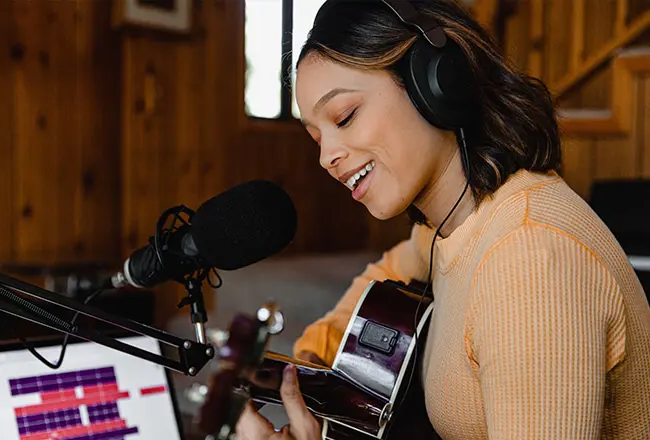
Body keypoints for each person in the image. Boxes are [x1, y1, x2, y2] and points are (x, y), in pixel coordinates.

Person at [236, 0, 650, 439]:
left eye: (345, 117)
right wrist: (316, 354)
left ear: (434, 82)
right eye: (317, 137)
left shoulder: (529, 256)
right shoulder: (454, 227)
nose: (326, 157)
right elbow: (393, 267)